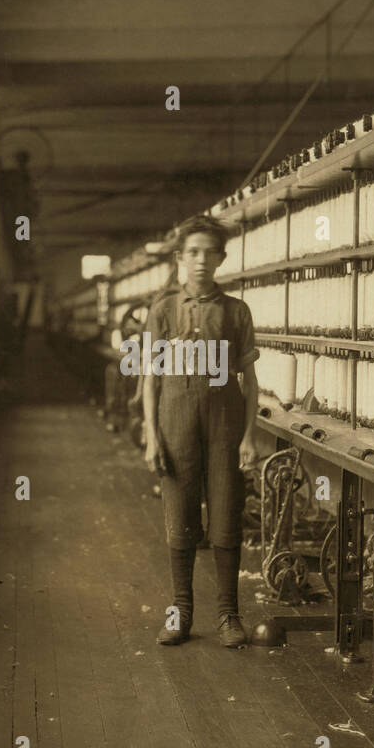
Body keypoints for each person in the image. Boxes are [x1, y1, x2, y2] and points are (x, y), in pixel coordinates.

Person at [142, 216, 259, 648]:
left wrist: (248, 437)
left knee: (226, 519)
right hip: (176, 427)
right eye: (192, 252)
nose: (200, 260)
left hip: (224, 428)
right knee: (180, 519)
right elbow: (150, 380)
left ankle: (229, 615)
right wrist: (153, 437)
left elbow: (250, 383)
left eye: (210, 252)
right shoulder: (163, 312)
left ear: (221, 259)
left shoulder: (235, 312)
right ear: (179, 258)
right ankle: (181, 613)